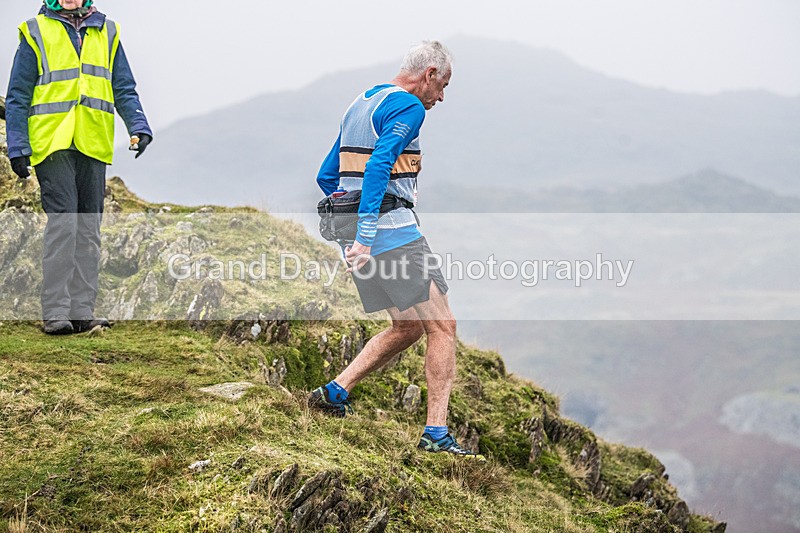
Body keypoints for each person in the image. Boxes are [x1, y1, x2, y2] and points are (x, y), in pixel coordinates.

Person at [310, 41, 481, 459]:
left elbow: (326, 174)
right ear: (429, 74)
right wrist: (368, 234)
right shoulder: (409, 107)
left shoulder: (363, 101)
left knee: (407, 327)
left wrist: (350, 230)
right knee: (444, 327)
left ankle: (335, 391)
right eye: (443, 85)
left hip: (357, 235)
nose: (441, 96)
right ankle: (435, 434)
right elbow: (379, 166)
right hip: (390, 234)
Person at [6, 0, 152, 335]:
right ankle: (56, 312)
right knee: (65, 225)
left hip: (93, 141)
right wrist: (18, 146)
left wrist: (138, 127)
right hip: (52, 142)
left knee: (88, 229)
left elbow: (124, 88)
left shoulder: (108, 31)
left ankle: (82, 311)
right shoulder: (35, 32)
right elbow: (17, 96)